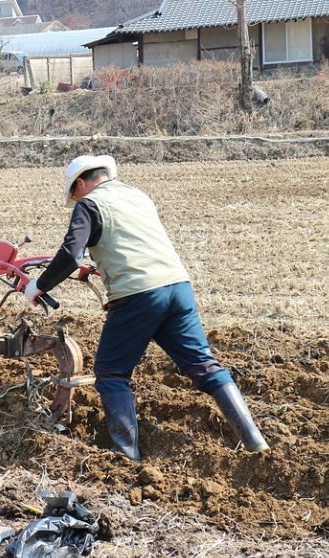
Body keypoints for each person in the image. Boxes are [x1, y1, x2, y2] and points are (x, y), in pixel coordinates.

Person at [24, 155, 269, 461]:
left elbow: (70, 256)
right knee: (204, 366)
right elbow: (129, 242)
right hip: (178, 287)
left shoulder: (90, 204)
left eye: (74, 195)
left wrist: (39, 286)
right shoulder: (138, 196)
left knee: (111, 372)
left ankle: (126, 455)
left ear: (81, 184)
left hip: (139, 296)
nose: (75, 201)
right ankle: (255, 440)